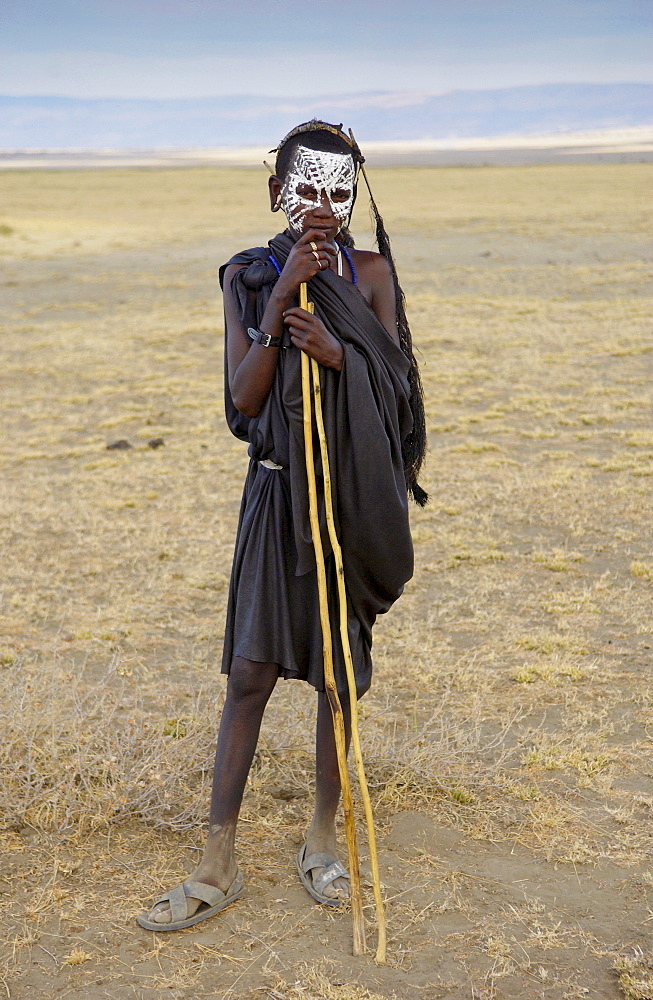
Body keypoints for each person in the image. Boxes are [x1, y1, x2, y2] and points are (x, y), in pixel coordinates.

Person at [137, 120, 427, 931]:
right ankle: (216, 859)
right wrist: (278, 304)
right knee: (250, 677)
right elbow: (241, 401)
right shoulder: (248, 273)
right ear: (277, 193)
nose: (325, 208)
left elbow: (400, 394)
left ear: (354, 193)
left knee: (338, 682)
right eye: (309, 190)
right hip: (274, 498)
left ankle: (322, 842)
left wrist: (340, 354)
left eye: (340, 191)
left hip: (346, 501)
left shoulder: (371, 274)